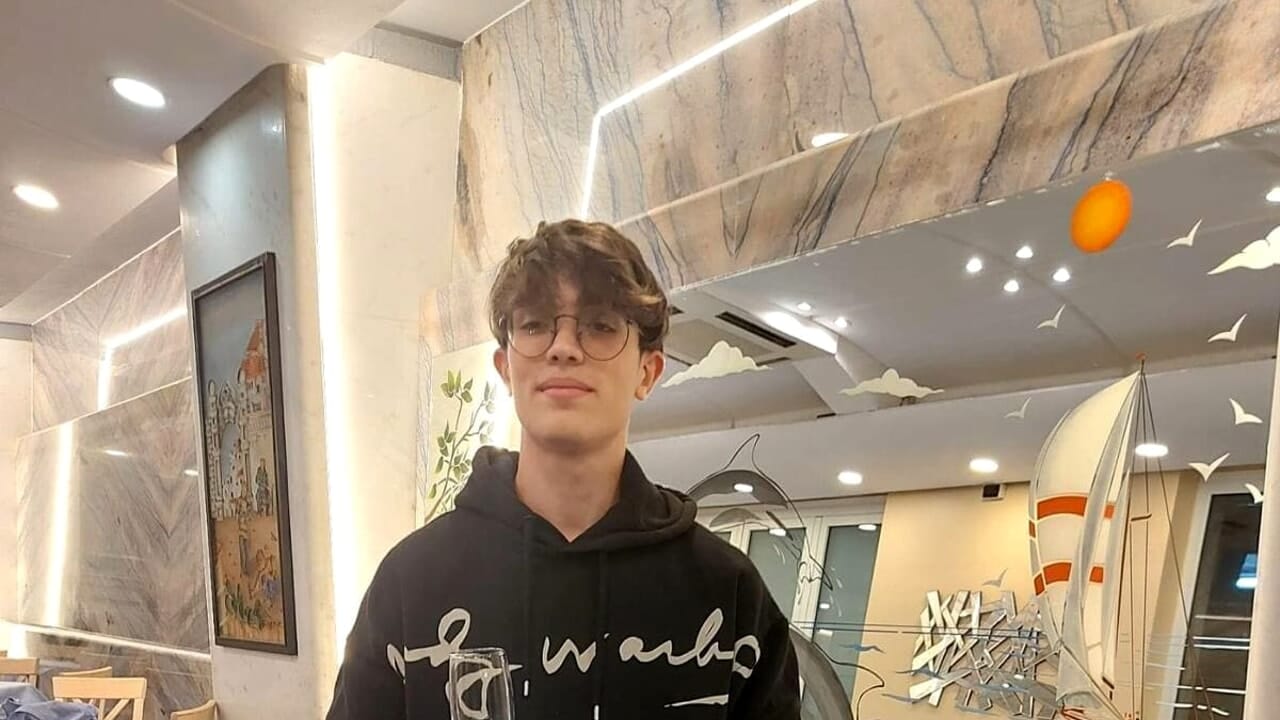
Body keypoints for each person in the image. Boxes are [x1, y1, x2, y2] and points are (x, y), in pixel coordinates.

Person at [327, 219, 800, 719]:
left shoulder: (729, 595)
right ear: (506, 369)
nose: (564, 347)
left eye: (600, 325)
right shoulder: (412, 581)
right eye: (535, 324)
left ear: (647, 371)